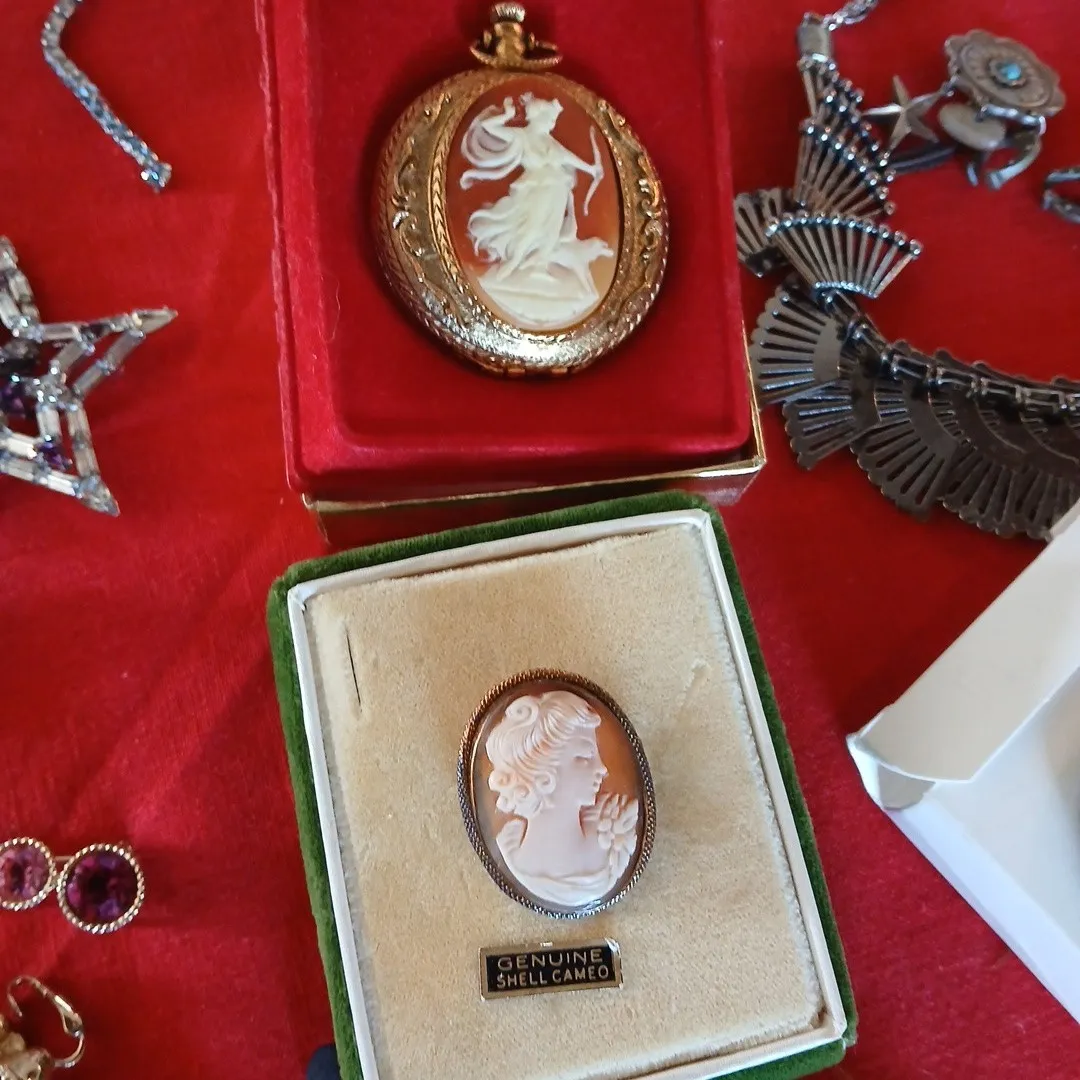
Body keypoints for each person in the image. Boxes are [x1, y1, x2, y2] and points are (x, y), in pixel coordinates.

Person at [459, 93, 614, 328]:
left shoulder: (550, 142)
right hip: (535, 192)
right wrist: (507, 115)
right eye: (550, 119)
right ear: (538, 117)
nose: (552, 124)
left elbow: (568, 157)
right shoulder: (522, 137)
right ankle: (509, 269)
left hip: (556, 192)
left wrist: (591, 169)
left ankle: (540, 269)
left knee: (550, 234)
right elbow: (489, 127)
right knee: (530, 230)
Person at [485, 691, 638, 908]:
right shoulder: (506, 847)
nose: (602, 769)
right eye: (584, 757)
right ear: (542, 773)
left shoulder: (613, 844)